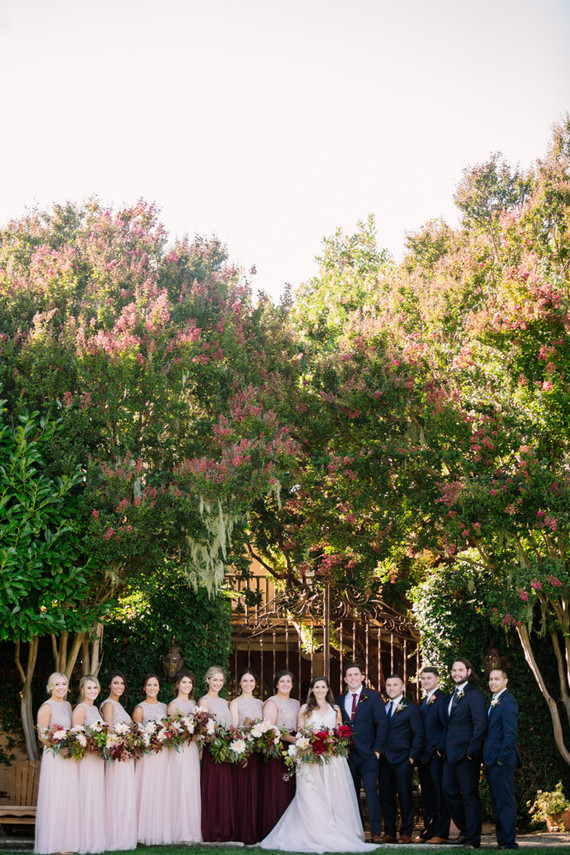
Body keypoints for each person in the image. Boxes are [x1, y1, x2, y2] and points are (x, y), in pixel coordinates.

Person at [260, 675, 380, 853]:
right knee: (311, 797)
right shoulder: (304, 709)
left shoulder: (335, 709)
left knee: (333, 797)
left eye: (323, 687)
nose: (320, 690)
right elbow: (300, 733)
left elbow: (340, 733)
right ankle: (312, 832)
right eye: (317, 687)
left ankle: (334, 831)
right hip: (310, 760)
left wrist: (332, 744)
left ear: (328, 689)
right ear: (312, 690)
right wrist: (310, 744)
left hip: (332, 760)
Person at [337, 662, 387, 843]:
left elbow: (382, 723)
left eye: (356, 674)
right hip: (349, 755)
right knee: (351, 794)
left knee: (372, 792)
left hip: (369, 755)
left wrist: (377, 750)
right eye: (349, 675)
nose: (353, 678)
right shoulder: (339, 701)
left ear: (362, 677)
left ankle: (375, 833)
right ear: (345, 679)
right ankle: (356, 832)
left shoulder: (373, 697)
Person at [442, 657, 487, 849]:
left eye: (460, 670)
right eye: (454, 670)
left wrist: (471, 751)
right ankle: (466, 829)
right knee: (448, 790)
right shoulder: (452, 694)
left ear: (468, 672)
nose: (456, 673)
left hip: (467, 756)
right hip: (451, 755)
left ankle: (474, 839)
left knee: (469, 795)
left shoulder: (474, 695)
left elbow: (480, 725)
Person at [35, 672, 80, 854]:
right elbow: (42, 735)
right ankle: (53, 844)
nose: (61, 687)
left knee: (68, 798)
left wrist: (70, 745)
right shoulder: (46, 707)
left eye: (64, 684)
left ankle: (67, 843)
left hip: (68, 757)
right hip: (54, 756)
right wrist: (58, 747)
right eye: (57, 684)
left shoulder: (68, 706)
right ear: (51, 687)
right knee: (55, 796)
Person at [379, 674, 423, 844]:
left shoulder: (411, 708)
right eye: (389, 685)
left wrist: (412, 757)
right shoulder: (383, 708)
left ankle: (406, 832)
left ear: (402, 687)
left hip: (403, 759)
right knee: (386, 797)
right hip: (384, 759)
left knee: (405, 796)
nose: (391, 688)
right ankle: (389, 832)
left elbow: (418, 734)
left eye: (395, 685)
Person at [259, 670, 300, 839]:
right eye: (282, 681)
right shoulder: (271, 702)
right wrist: (289, 738)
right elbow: (270, 729)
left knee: (292, 787)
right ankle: (274, 827)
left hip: (294, 749)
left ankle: (291, 830)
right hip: (278, 749)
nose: (285, 684)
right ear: (276, 684)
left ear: (292, 684)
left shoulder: (296, 703)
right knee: (278, 789)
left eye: (288, 681)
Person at [132, 673, 172, 845]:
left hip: (163, 754)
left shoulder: (165, 707)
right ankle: (143, 831)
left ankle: (160, 830)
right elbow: (136, 735)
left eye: (155, 685)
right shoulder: (139, 709)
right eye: (149, 685)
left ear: (159, 688)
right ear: (144, 688)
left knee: (161, 790)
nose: (152, 688)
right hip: (147, 756)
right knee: (147, 789)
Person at [100, 670, 137, 851]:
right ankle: (114, 837)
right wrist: (125, 745)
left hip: (125, 754)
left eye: (122, 683)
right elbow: (109, 731)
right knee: (117, 794)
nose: (119, 686)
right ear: (109, 685)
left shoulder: (118, 704)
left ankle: (123, 835)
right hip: (117, 756)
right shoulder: (108, 704)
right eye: (116, 683)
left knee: (124, 794)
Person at [484, 669, 520, 851]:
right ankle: (502, 840)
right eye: (491, 679)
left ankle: (508, 842)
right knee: (498, 801)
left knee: (505, 801)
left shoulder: (507, 701)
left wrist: (501, 759)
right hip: (492, 760)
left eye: (497, 679)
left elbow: (510, 733)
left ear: (505, 681)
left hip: (502, 761)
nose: (493, 682)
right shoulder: (494, 701)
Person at [414, 666, 450, 845]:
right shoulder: (424, 701)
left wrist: (439, 749)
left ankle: (441, 832)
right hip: (423, 756)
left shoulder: (443, 699)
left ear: (437, 679)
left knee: (439, 795)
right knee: (428, 795)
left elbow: (447, 726)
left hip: (435, 755)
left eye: (429, 678)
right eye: (423, 678)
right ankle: (429, 830)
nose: (425, 681)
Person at [199, 665, 235, 842]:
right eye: (215, 680)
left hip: (225, 749)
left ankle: (224, 828)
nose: (218, 683)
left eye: (221, 680)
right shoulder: (204, 701)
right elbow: (203, 728)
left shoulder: (224, 702)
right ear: (208, 680)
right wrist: (216, 741)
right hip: (212, 749)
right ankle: (212, 828)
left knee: (224, 789)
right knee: (213, 787)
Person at [167, 669, 202, 843]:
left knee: (191, 785)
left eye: (190, 682)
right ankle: (179, 830)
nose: (187, 685)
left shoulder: (195, 704)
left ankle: (192, 829)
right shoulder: (173, 705)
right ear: (177, 685)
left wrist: (200, 734)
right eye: (184, 682)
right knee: (181, 785)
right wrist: (190, 735)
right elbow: (173, 733)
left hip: (193, 750)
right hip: (180, 750)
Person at [230, 666, 264, 844]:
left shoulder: (261, 703)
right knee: (242, 791)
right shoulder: (235, 703)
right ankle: (242, 832)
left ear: (255, 683)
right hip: (243, 751)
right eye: (245, 680)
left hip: (258, 753)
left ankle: (256, 830)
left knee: (257, 792)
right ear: (240, 683)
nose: (248, 684)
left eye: (251, 680)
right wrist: (243, 750)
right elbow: (235, 728)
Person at [72, 674, 106, 854]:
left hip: (97, 760)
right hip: (86, 760)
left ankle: (93, 838)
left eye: (95, 687)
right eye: (89, 688)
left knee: (95, 797)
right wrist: (92, 746)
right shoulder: (81, 709)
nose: (93, 691)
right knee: (86, 796)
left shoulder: (95, 710)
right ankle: (83, 839)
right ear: (82, 690)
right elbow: (76, 738)